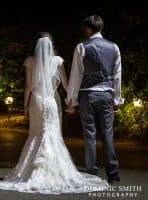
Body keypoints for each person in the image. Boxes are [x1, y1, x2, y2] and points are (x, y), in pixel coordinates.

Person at [0, 32, 109, 194]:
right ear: (50, 47)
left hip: (36, 101)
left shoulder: (30, 62)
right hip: (51, 101)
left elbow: (28, 86)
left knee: (36, 133)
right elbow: (66, 85)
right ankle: (55, 170)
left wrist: (24, 106)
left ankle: (32, 170)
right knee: (52, 133)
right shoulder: (57, 61)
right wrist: (72, 101)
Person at [65, 15, 124, 184]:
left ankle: (91, 172)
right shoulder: (114, 47)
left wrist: (72, 101)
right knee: (108, 134)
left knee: (89, 135)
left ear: (88, 29)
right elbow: (117, 76)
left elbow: (76, 76)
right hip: (106, 95)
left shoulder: (81, 47)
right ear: (101, 28)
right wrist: (117, 100)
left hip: (87, 95)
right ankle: (113, 174)